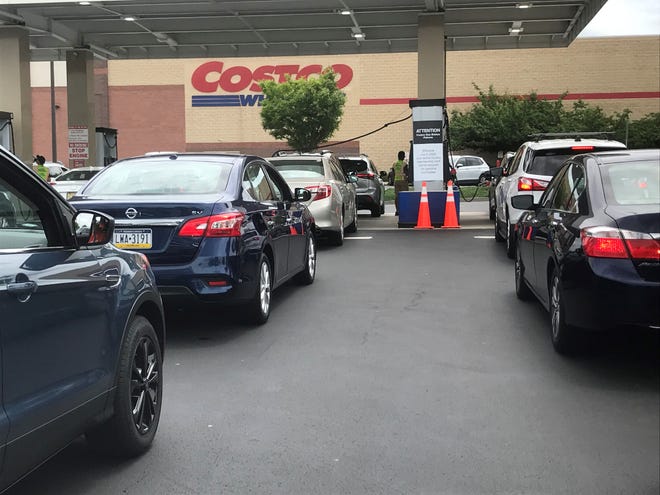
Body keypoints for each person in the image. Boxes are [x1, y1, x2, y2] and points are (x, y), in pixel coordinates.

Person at [392, 150, 408, 215]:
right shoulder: (404, 164)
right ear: (403, 156)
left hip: (396, 181)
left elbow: (393, 173)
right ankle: (404, 209)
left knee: (397, 197)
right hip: (403, 181)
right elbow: (407, 172)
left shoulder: (394, 164)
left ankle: (397, 210)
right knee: (405, 196)